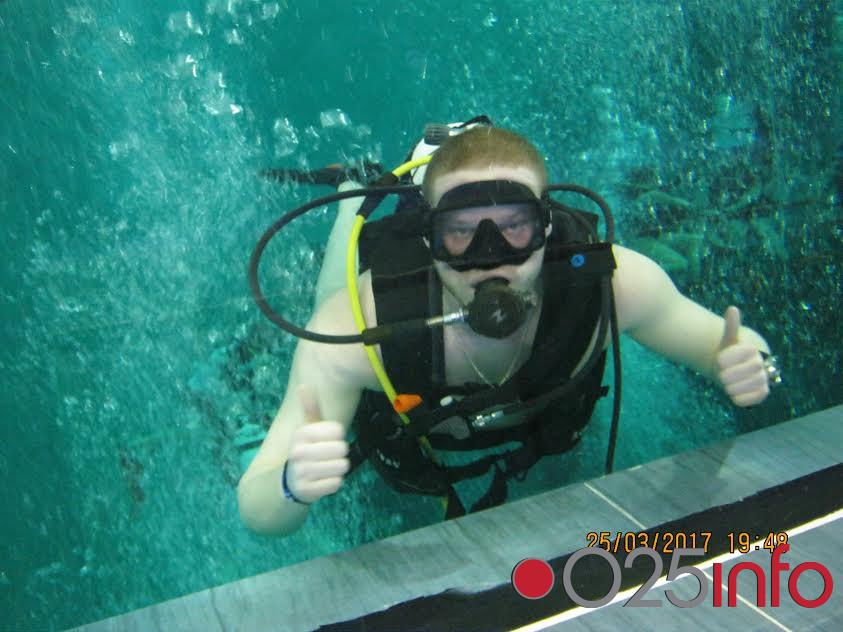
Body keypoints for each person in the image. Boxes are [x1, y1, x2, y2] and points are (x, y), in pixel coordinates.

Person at [238, 125, 777, 536]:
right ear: (430, 241)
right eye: (460, 233)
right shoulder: (356, 326)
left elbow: (724, 345)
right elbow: (257, 507)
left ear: (546, 225)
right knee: (334, 296)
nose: (489, 258)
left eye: (513, 227)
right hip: (383, 342)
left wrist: (748, 361)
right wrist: (291, 484)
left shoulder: (615, 285)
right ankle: (356, 189)